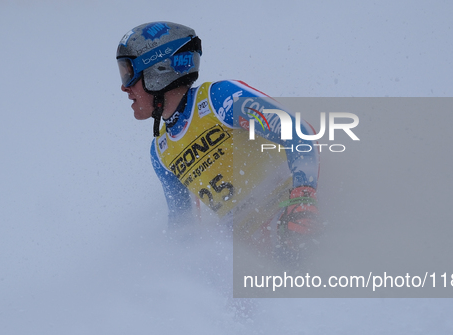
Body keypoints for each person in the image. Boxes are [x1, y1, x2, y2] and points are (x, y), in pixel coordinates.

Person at [116, 21, 320, 261]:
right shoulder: (160, 152)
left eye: (128, 73)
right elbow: (184, 229)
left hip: (298, 224)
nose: (124, 87)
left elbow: (298, 131)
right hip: (254, 256)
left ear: (158, 71)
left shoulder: (218, 100)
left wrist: (304, 198)